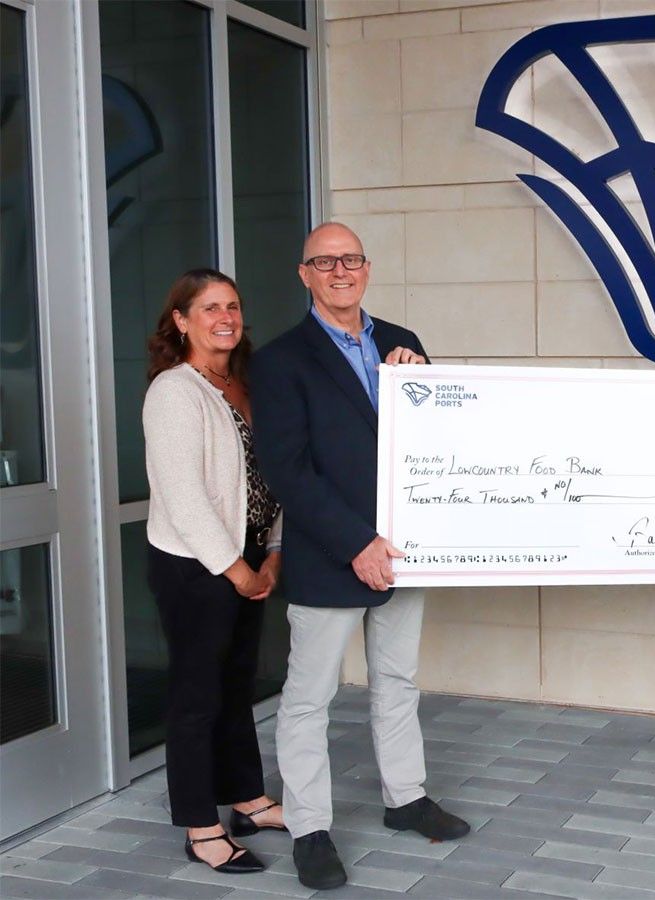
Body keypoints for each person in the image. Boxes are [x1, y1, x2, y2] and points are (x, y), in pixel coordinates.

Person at [251, 222, 470, 891]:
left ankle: (406, 800)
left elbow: (443, 441)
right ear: (305, 273)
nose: (340, 270)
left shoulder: (404, 344)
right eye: (325, 261)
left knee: (399, 683)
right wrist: (356, 544)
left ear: (366, 268)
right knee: (308, 699)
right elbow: (289, 470)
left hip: (408, 551)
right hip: (331, 556)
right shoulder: (281, 360)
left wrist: (424, 387)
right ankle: (309, 829)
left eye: (350, 259)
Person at [143, 269, 286, 874]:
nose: (226, 317)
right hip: (195, 564)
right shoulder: (175, 391)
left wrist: (273, 550)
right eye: (209, 308)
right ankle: (201, 824)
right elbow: (185, 497)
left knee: (237, 683)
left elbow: (271, 474)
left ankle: (248, 800)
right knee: (197, 695)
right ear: (181, 320)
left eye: (233, 305)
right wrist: (237, 571)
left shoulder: (242, 383)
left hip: (249, 553)